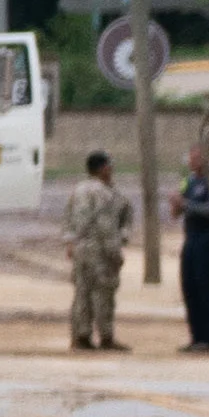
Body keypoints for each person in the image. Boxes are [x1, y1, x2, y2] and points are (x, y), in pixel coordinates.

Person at [59, 151, 134, 353]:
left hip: (80, 249)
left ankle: (81, 336)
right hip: (99, 250)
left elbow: (68, 220)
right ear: (102, 169)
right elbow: (106, 226)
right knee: (103, 294)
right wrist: (114, 253)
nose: (112, 170)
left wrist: (70, 244)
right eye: (109, 166)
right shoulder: (105, 194)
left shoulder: (78, 190)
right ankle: (106, 336)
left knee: (81, 293)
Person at [175, 156, 209, 353]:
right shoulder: (188, 181)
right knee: (190, 288)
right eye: (191, 158)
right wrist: (176, 205)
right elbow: (178, 208)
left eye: (197, 157)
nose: (193, 161)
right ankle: (196, 337)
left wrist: (186, 204)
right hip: (190, 239)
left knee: (205, 289)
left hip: (207, 240)